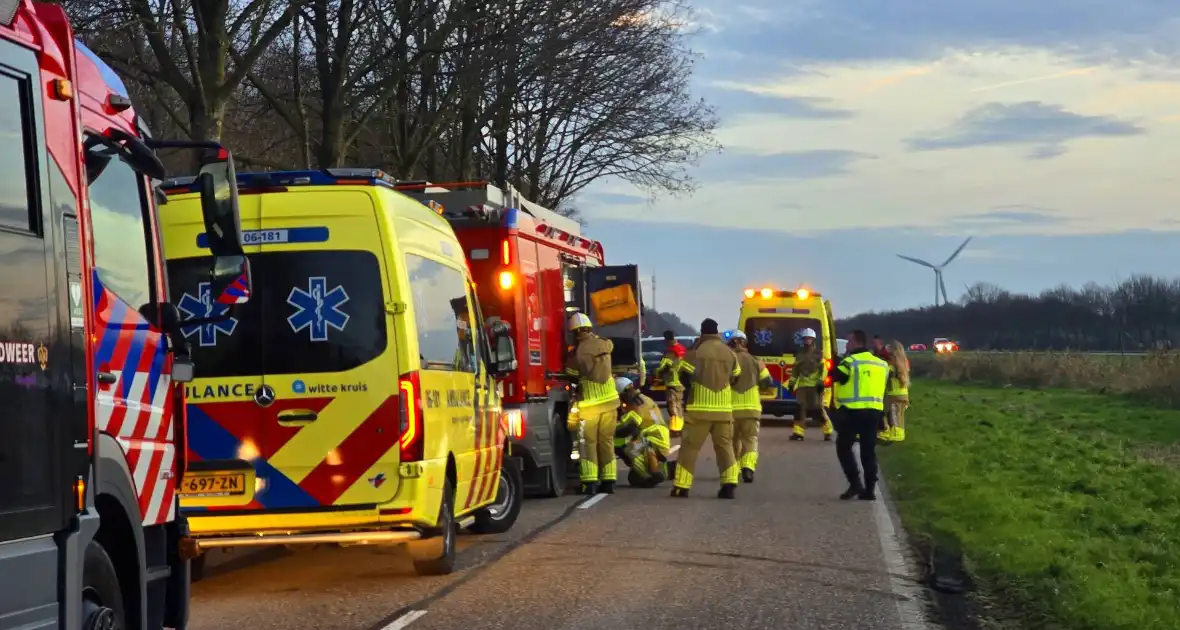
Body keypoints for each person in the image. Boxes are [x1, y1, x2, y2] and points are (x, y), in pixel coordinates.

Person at [670, 318, 741, 499]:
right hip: (724, 409)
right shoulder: (730, 352)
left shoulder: (696, 351)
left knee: (690, 448)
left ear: (702, 332)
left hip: (699, 409)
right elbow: (736, 377)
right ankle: (729, 484)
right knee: (725, 447)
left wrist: (694, 386)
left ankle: (682, 486)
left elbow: (684, 375)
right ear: (717, 332)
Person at [829, 329, 890, 501]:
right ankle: (870, 490)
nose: (847, 345)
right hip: (874, 413)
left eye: (849, 342)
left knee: (844, 447)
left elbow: (834, 377)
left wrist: (833, 365)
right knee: (868, 451)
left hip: (852, 412)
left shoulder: (849, 362)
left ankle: (855, 484)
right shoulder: (881, 364)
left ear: (857, 342)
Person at [564, 312, 620, 495]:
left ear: (576, 332)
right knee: (606, 442)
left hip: (590, 406)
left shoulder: (579, 352)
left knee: (588, 444)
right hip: (611, 403)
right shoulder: (605, 344)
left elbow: (571, 373)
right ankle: (609, 481)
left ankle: (590, 483)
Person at [727, 330, 774, 483]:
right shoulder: (756, 360)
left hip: (731, 409)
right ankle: (748, 468)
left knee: (732, 441)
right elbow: (768, 381)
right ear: (745, 343)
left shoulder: (727, 361)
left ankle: (733, 470)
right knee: (750, 440)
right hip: (752, 408)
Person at [613, 377, 672, 487]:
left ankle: (652, 475)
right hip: (659, 435)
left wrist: (610, 429)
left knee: (624, 446)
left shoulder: (633, 402)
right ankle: (662, 469)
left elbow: (630, 424)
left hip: (652, 437)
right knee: (634, 478)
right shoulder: (642, 398)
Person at [786, 328, 834, 442]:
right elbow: (795, 371)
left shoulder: (819, 354)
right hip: (802, 387)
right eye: (805, 339)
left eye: (809, 339)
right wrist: (792, 384)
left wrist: (821, 381)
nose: (807, 341)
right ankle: (798, 433)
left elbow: (824, 369)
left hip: (815, 387)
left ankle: (828, 431)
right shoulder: (800, 355)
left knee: (817, 410)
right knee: (799, 409)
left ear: (813, 340)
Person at [657, 330, 687, 436]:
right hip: (681, 382)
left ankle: (675, 429)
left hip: (672, 382)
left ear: (667, 339)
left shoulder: (670, 352)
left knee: (672, 406)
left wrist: (657, 373)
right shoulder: (682, 349)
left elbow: (663, 366)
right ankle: (680, 426)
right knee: (678, 405)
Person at [884, 340, 910, 442]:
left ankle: (896, 436)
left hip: (893, 395)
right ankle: (896, 434)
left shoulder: (890, 366)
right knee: (900, 417)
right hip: (903, 394)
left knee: (895, 418)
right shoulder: (905, 363)